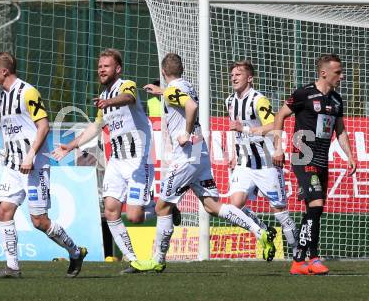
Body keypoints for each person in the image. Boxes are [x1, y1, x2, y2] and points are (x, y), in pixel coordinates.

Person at [130, 53, 275, 273]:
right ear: (182, 71)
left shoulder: (172, 92)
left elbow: (190, 107)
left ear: (163, 72)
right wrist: (162, 91)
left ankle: (157, 259)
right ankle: (260, 232)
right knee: (212, 206)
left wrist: (185, 133)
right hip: (200, 151)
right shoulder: (186, 85)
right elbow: (182, 98)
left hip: (187, 154)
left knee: (162, 207)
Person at [52, 48, 157, 273]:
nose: (101, 69)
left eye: (106, 66)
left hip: (138, 159)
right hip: (117, 161)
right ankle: (134, 260)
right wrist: (71, 145)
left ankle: (165, 208)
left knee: (135, 216)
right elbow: (96, 126)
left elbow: (129, 98)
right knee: (111, 210)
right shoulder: (104, 98)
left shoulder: (125, 85)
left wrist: (108, 103)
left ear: (117, 69)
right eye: (99, 66)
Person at [0, 52, 87, 279]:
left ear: (4, 71)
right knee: (4, 210)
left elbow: (43, 126)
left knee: (39, 221)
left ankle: (75, 251)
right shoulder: (2, 97)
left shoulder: (27, 92)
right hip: (13, 165)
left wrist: (30, 155)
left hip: (34, 165)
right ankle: (12, 266)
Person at [273, 54, 356, 275]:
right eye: (338, 72)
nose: (342, 76)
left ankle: (301, 260)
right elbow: (280, 116)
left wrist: (350, 156)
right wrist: (279, 147)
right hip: (303, 157)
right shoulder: (304, 94)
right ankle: (312, 257)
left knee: (314, 209)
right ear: (323, 73)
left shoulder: (337, 100)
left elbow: (341, 130)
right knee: (316, 204)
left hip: (322, 159)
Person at [226, 60, 298, 260]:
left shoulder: (258, 100)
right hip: (244, 162)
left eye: (238, 74)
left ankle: (297, 254)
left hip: (266, 163)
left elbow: (273, 124)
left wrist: (276, 148)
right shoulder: (230, 101)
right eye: (232, 74)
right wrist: (233, 153)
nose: (233, 77)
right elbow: (234, 129)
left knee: (280, 212)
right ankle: (265, 230)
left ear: (250, 78)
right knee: (235, 205)